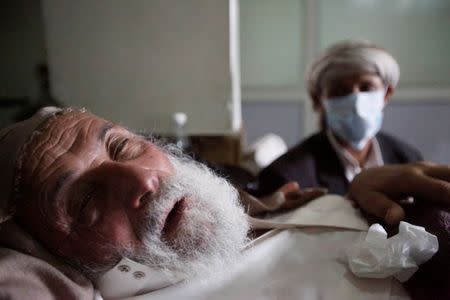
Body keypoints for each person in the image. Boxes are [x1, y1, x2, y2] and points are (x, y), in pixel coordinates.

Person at [0, 107, 449, 299]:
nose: (144, 180)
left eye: (123, 147)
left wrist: (358, 187)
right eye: (86, 198)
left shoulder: (256, 196)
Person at [256, 40, 423, 196]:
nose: (356, 101)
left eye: (366, 87)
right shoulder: (288, 176)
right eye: (340, 91)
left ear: (386, 94)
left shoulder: (409, 160)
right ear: (318, 100)